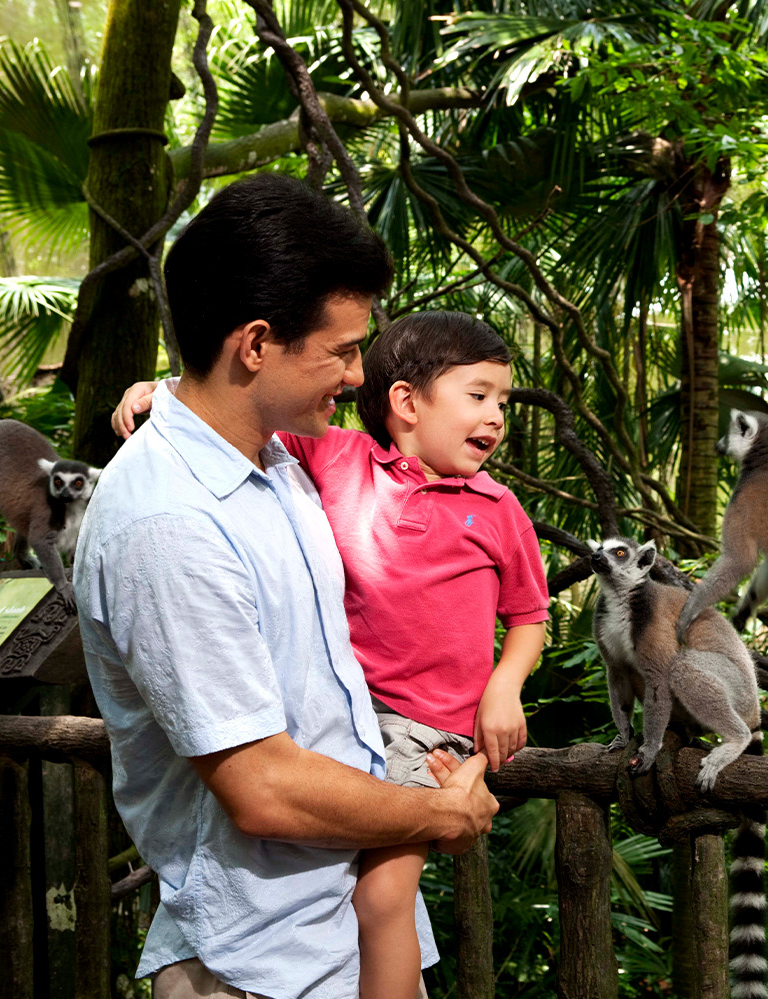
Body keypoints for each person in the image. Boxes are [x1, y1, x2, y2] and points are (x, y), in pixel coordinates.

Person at [77, 172, 500, 999]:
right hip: (254, 963)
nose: (355, 376)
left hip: (342, 930)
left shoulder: (275, 460)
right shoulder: (169, 523)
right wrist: (439, 815)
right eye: (341, 350)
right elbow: (262, 787)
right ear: (256, 343)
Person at [113, 310, 550, 999]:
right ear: (407, 401)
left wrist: (505, 689)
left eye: (502, 400)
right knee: (371, 901)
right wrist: (160, 390)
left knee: (382, 901)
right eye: (479, 395)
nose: (497, 414)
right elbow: (227, 411)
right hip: (342, 729)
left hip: (424, 728)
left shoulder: (497, 508)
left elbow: (529, 615)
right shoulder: (339, 457)